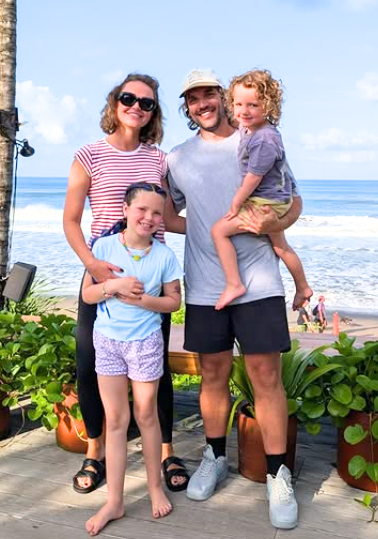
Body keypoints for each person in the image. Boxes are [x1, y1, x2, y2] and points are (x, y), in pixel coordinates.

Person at [167, 68, 301, 529]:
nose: (202, 104)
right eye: (193, 99)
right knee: (212, 374)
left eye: (209, 95)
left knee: (266, 376)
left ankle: (278, 472)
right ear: (186, 107)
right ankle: (214, 456)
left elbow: (293, 201)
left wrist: (262, 225)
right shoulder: (177, 158)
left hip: (260, 280)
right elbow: (168, 214)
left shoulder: (255, 139)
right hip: (205, 283)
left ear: (225, 99)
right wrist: (207, 227)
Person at [63, 73, 188, 497]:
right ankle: (95, 451)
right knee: (90, 364)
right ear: (115, 101)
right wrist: (93, 266)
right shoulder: (89, 155)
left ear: (154, 113)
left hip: (152, 276)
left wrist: (226, 229)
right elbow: (70, 219)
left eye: (147, 102)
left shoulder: (158, 159)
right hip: (102, 273)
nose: (137, 106)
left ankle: (167, 449)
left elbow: (167, 219)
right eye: (129, 98)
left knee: (157, 368)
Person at [82, 182, 182, 535]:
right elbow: (89, 294)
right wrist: (115, 286)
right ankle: (115, 501)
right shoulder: (104, 246)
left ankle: (155, 488)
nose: (149, 217)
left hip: (145, 343)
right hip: (107, 341)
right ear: (125, 209)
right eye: (142, 209)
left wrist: (143, 302)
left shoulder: (165, 256)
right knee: (116, 421)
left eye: (157, 213)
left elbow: (174, 302)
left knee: (146, 415)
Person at [211, 69, 312, 311]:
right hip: (273, 198)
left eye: (252, 105)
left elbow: (253, 178)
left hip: (265, 201)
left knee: (218, 231)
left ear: (268, 106)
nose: (243, 111)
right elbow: (238, 118)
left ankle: (234, 283)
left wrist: (236, 203)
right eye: (237, 104)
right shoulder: (251, 127)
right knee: (280, 246)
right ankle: (303, 287)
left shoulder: (264, 139)